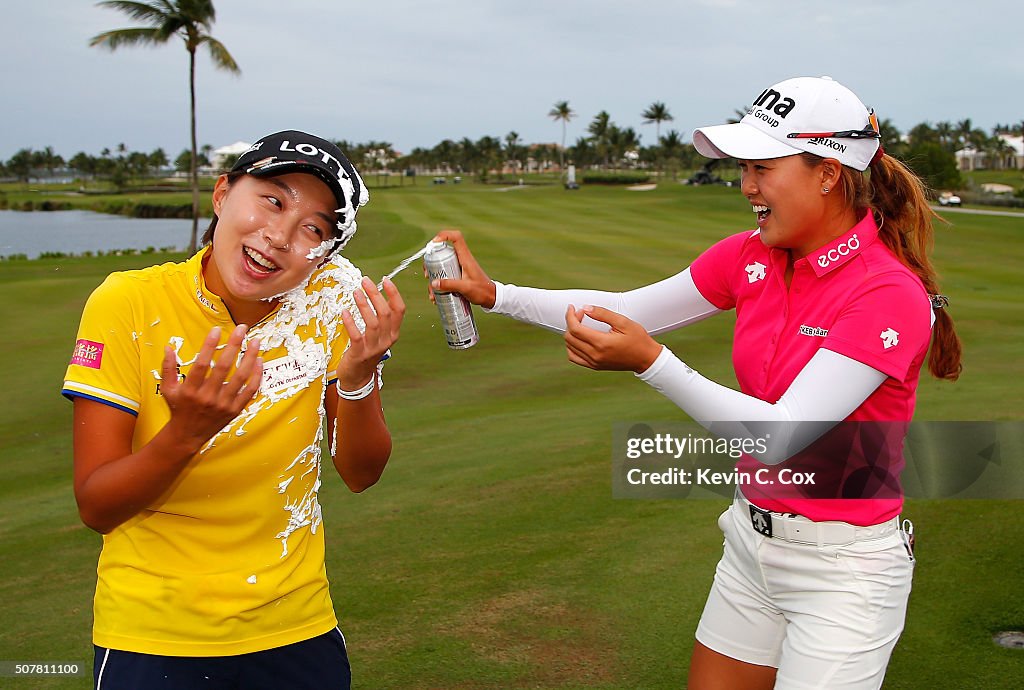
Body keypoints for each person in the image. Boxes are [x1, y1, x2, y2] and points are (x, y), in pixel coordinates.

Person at [431, 76, 961, 689]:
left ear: (828, 173)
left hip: (844, 569)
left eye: (763, 167)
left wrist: (653, 363)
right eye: (744, 168)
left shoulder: (885, 291)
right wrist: (498, 295)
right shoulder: (750, 255)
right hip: (750, 546)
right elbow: (627, 307)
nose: (747, 186)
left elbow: (781, 436)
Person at [63, 130, 405, 689]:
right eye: (273, 200)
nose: (280, 236)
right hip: (154, 637)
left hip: (297, 627)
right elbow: (97, 506)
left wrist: (359, 377)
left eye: (314, 229)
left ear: (324, 256)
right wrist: (188, 431)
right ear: (222, 194)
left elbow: (361, 473)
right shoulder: (127, 302)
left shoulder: (330, 305)